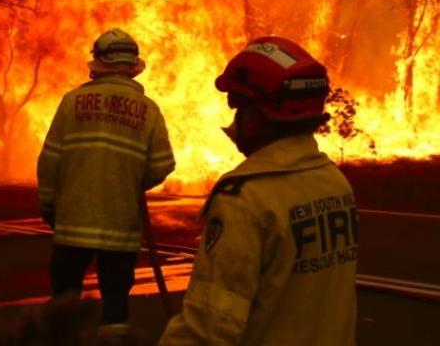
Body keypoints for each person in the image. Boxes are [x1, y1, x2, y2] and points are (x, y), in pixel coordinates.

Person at [159, 37, 358, 345]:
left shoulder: (246, 199)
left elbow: (209, 328)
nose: (236, 118)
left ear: (263, 111)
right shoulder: (333, 182)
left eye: (238, 104)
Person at [37, 28, 175, 340]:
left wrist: (48, 203)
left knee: (64, 304)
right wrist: (131, 181)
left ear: (97, 63)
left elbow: (50, 159)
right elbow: (163, 164)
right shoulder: (149, 111)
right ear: (132, 67)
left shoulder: (72, 102)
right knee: (115, 306)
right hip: (120, 228)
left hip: (72, 223)